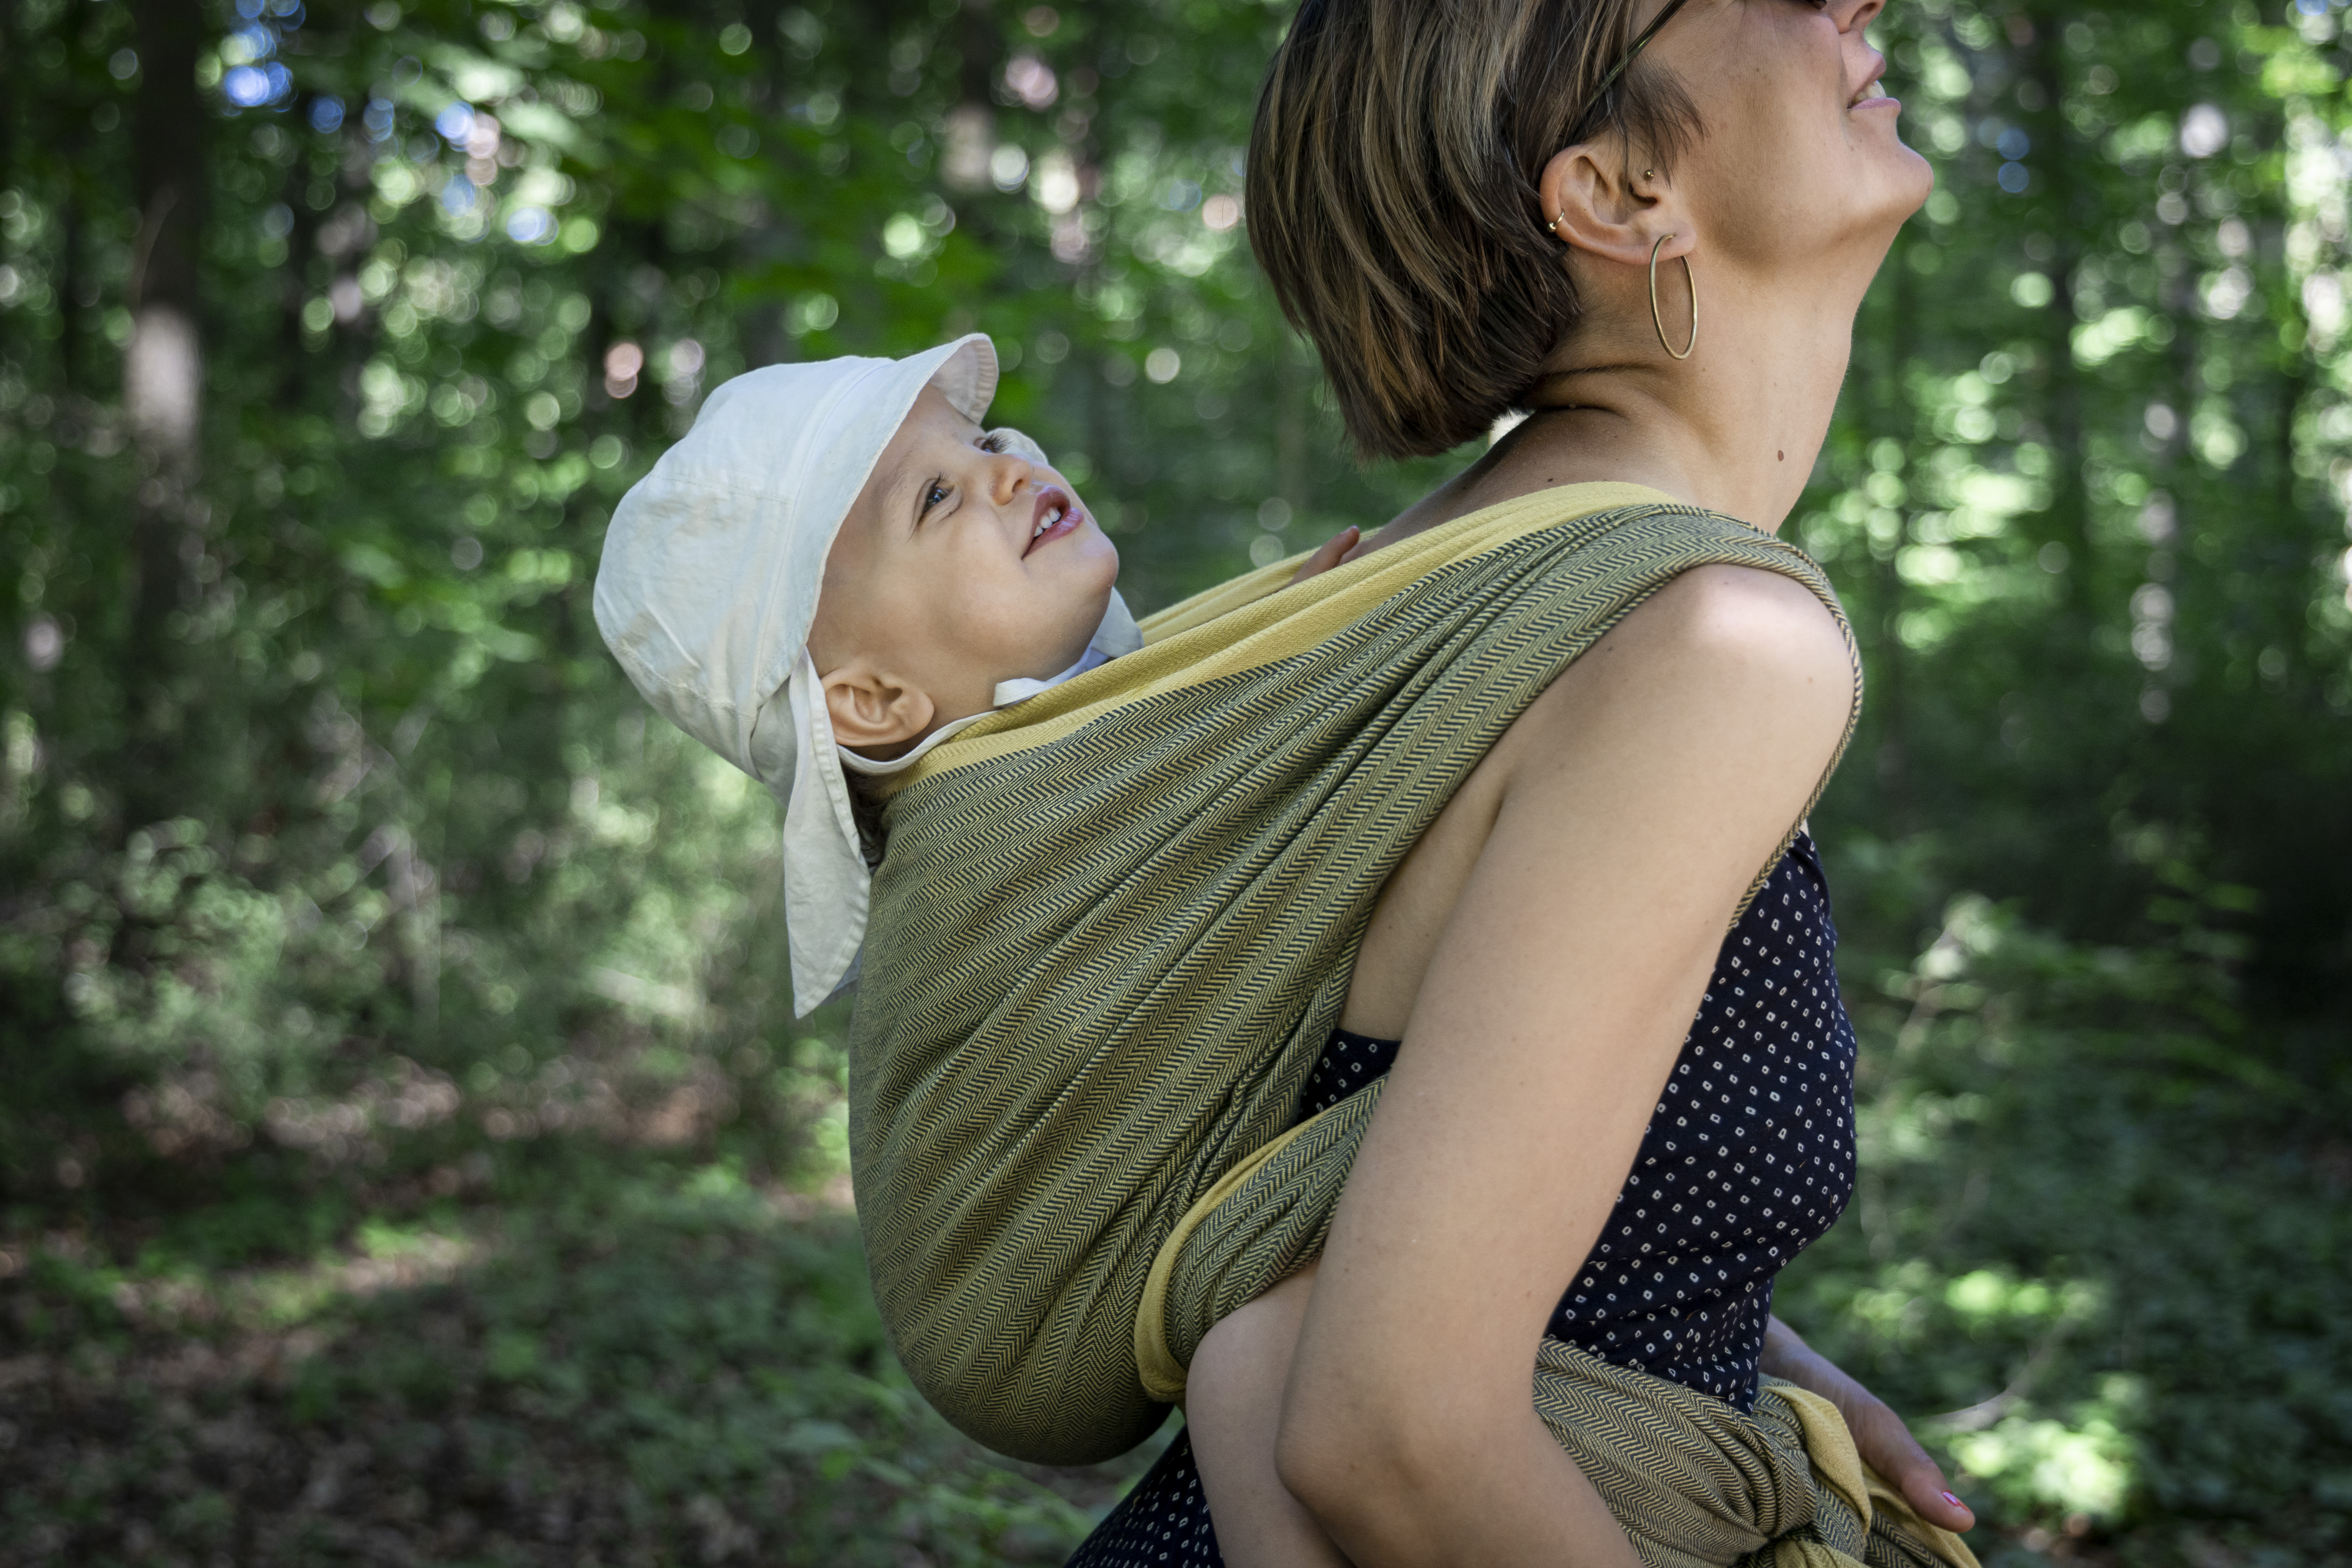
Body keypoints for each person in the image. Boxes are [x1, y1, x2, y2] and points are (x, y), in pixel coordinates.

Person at [1066, 0, 1973, 1562]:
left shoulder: (1450, 578)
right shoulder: (1710, 642)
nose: (1850, 7)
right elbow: (1391, 1433)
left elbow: (1391, 1152)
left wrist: (1735, 1350)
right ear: (1619, 192)